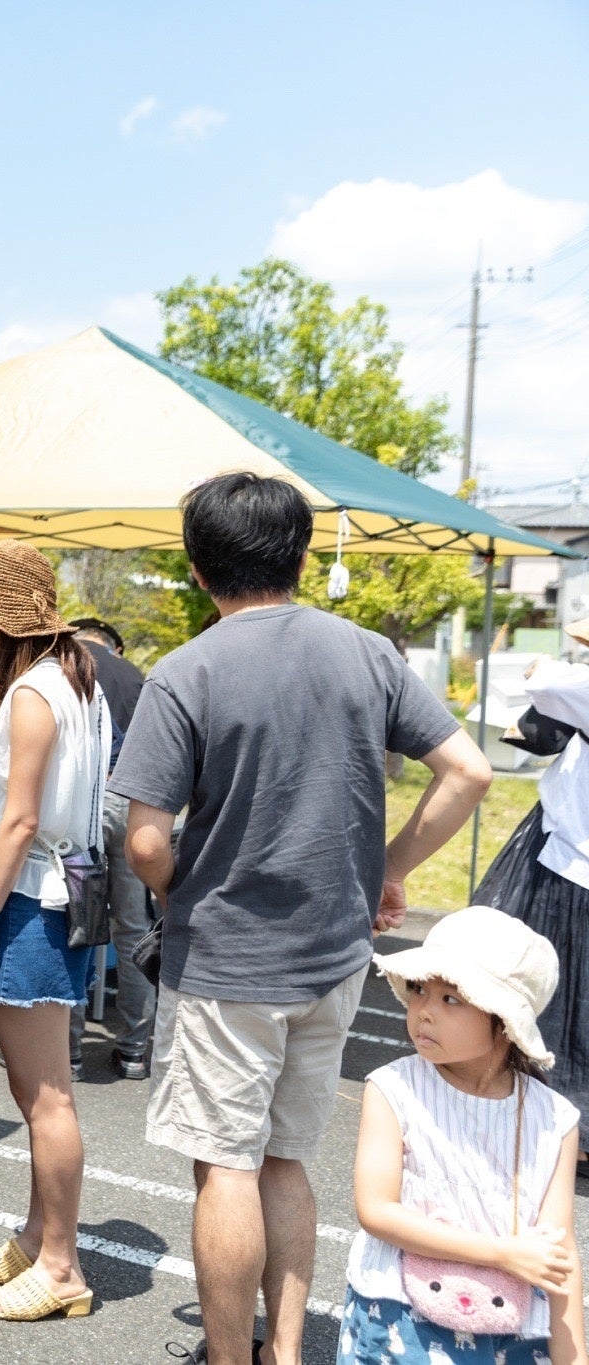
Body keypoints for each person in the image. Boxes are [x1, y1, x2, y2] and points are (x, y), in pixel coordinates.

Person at [110, 472, 492, 1365]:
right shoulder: (366, 651)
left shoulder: (187, 671)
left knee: (227, 1164)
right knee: (285, 1159)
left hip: (229, 959)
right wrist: (389, 867)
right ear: (302, 554)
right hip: (335, 953)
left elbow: (145, 844)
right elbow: (469, 771)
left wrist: (179, 887)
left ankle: (229, 1356)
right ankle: (284, 1350)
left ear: (198, 567)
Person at [0, 540, 108, 1323]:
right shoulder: (77, 680)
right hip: (61, 890)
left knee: (44, 1095)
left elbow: (21, 819)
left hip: (34, 897)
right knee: (37, 1087)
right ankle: (42, 1238)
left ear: (2, 617)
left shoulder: (34, 692)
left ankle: (62, 1264)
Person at [341, 906, 582, 1365]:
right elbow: (376, 1211)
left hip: (512, 1331)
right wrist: (500, 1254)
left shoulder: (555, 1118)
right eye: (419, 990)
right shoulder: (393, 1089)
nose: (424, 1012)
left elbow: (558, 1250)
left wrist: (574, 1356)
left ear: (505, 1021)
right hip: (400, 1319)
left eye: (451, 999)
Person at [472, 629, 589, 1144]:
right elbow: (535, 731)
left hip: (572, 866)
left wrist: (537, 668)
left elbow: (547, 679)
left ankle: (560, 1120)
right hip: (561, 850)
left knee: (552, 987)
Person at [68, 616, 154, 1079]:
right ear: (113, 646)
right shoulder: (137, 675)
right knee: (133, 929)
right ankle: (135, 1050)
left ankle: (70, 1051)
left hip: (86, 801)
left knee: (78, 923)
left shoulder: (64, 663)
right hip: (135, 804)